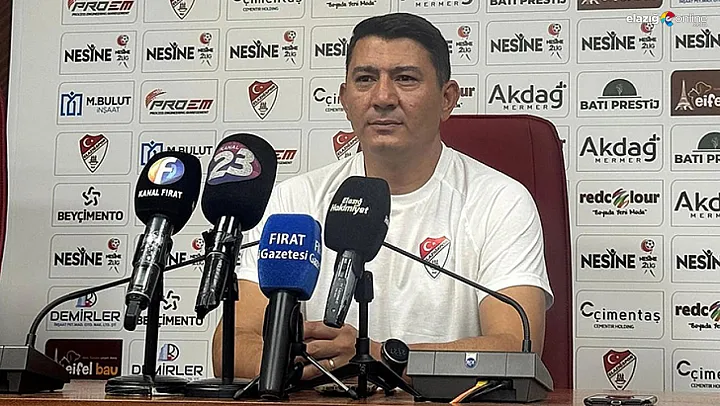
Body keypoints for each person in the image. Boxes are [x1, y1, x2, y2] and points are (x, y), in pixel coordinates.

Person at [212, 12, 553, 382]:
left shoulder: (499, 201)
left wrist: (373, 358)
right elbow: (231, 347)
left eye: (405, 78)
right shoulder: (293, 201)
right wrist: (306, 365)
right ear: (344, 99)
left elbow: (515, 349)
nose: (383, 97)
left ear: (447, 99)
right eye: (365, 79)